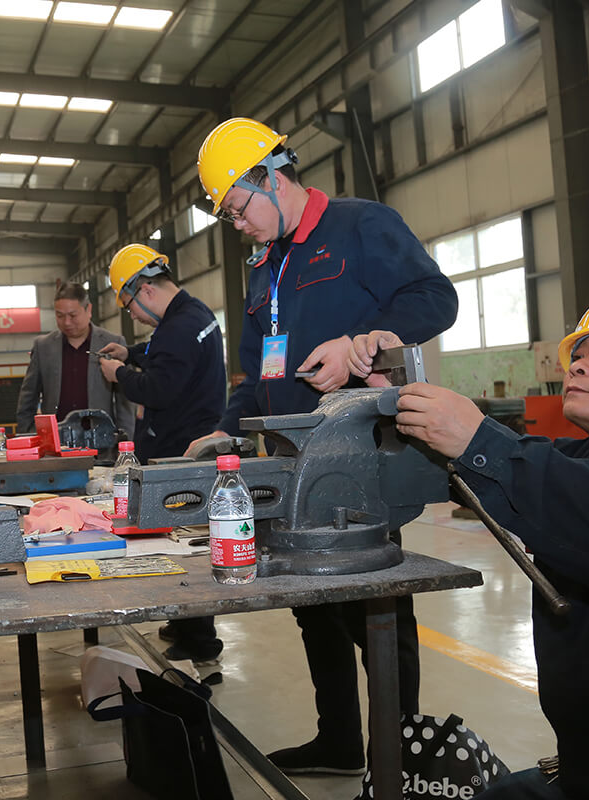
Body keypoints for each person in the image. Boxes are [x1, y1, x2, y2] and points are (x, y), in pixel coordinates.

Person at [357, 285, 589, 800]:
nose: (578, 365)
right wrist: (394, 397)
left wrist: (480, 441)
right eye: (578, 354)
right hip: (584, 770)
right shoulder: (575, 463)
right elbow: (512, 470)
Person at [189, 117, 459, 776]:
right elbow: (258, 371)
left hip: (359, 452)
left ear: (270, 178)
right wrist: (228, 426)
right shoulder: (265, 268)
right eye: (229, 216)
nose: (238, 225)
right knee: (311, 602)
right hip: (290, 456)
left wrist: (366, 340)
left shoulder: (361, 226)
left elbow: (435, 298)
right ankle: (338, 740)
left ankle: (401, 751)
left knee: (378, 601)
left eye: (239, 208)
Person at [98, 243, 226, 662]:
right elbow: (165, 356)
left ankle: (199, 639)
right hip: (190, 438)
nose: (133, 316)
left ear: (146, 290)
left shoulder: (178, 327)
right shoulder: (193, 314)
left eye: (130, 306)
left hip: (180, 449)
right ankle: (186, 621)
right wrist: (131, 353)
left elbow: (159, 388)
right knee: (180, 538)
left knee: (184, 545)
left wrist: (120, 374)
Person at [15, 280, 135, 436]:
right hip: (56, 442)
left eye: (73, 315)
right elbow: (28, 398)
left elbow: (125, 402)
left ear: (88, 309)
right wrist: (28, 434)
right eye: (60, 315)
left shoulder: (112, 344)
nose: (67, 322)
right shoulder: (42, 347)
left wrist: (125, 440)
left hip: (102, 441)